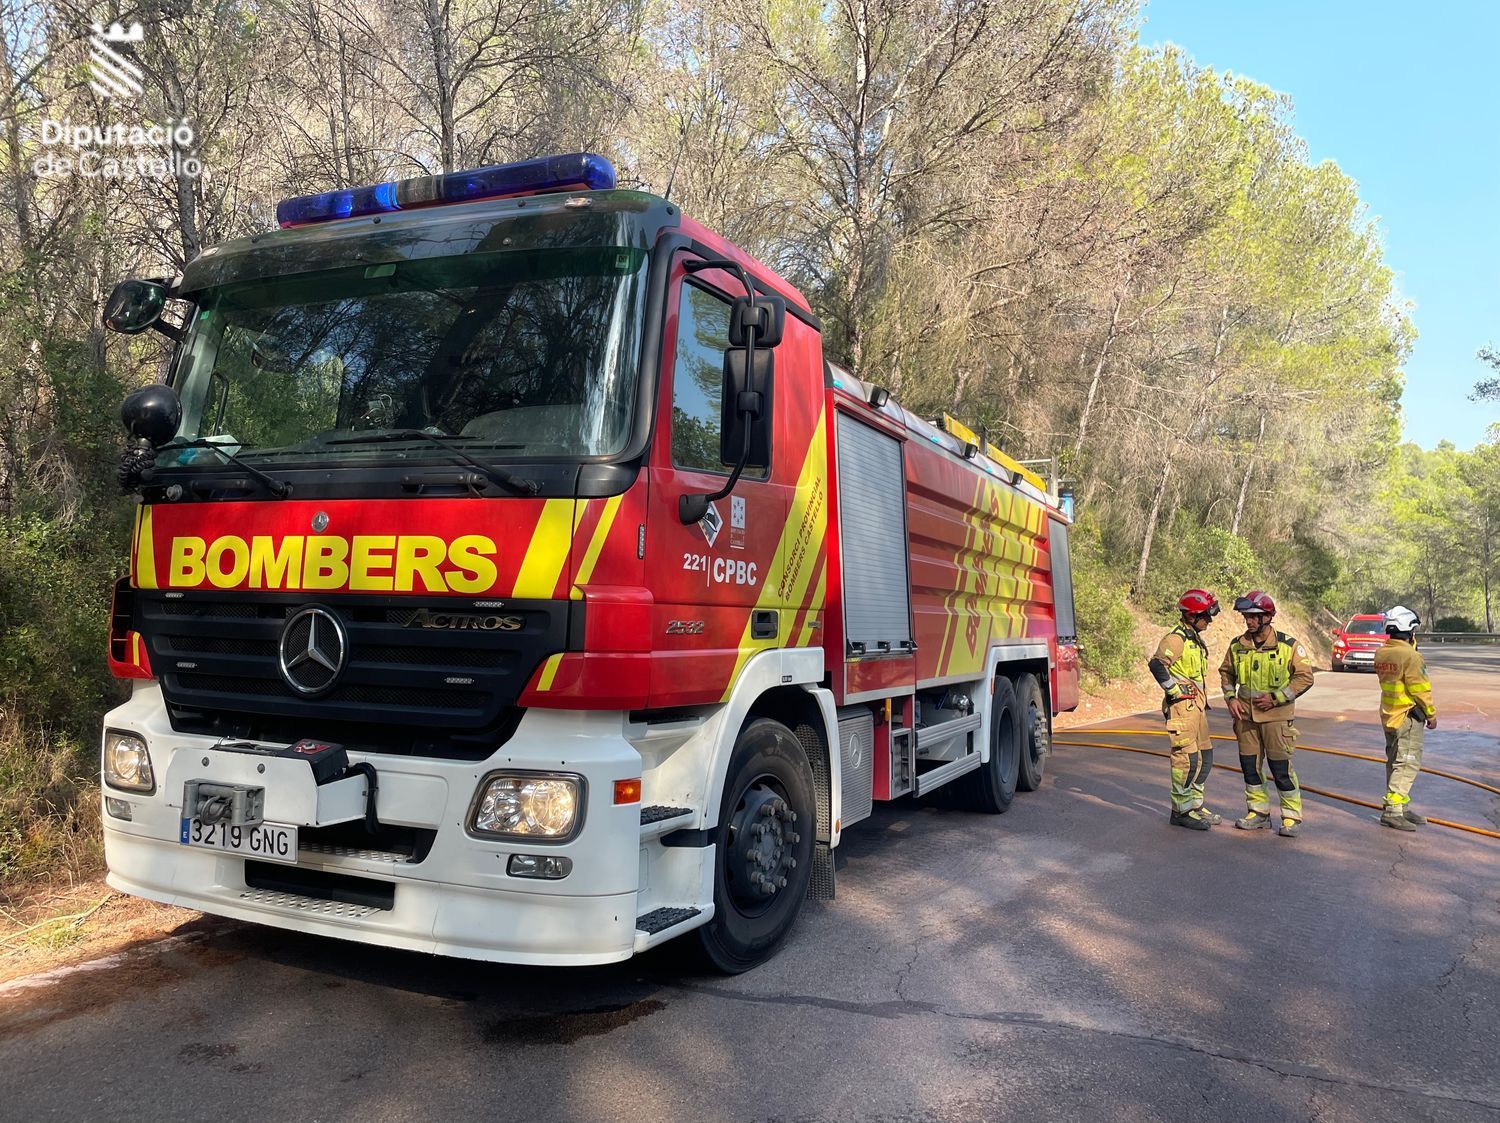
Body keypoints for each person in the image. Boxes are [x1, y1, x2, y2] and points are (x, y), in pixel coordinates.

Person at [1219, 591, 1315, 837]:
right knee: (1250, 766)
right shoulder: (1237, 646)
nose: (1249, 621)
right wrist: (1230, 699)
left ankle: (1291, 817)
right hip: (1246, 719)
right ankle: (1258, 813)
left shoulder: (1288, 646)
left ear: (1268, 617)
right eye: (1246, 617)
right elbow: (1226, 674)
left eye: (1254, 616)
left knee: (1280, 768)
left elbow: (1304, 677)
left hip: (1277, 719)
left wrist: (1276, 698)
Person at [1147, 589, 1221, 830]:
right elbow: (1157, 664)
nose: (1209, 621)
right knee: (1186, 759)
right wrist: (1174, 691)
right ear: (1191, 615)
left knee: (1205, 757)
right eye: (1205, 616)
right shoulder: (1176, 638)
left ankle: (1195, 805)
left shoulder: (1193, 638)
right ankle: (1181, 810)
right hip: (1182, 709)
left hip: (1197, 708)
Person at [1373, 605, 1437, 832]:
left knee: (1395, 761)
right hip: (1408, 717)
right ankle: (1393, 810)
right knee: (1408, 763)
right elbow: (1420, 689)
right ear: (1409, 630)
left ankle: (1402, 806)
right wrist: (1431, 714)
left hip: (1390, 715)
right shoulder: (1411, 656)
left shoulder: (1382, 652)